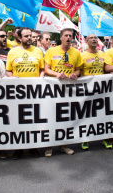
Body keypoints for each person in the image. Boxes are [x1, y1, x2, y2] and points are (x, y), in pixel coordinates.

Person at [6, 27, 44, 159]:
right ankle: (18, 148)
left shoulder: (38, 51)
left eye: (30, 36)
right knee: (18, 120)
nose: (29, 38)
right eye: (26, 36)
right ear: (20, 38)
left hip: (34, 92)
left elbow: (42, 69)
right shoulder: (13, 52)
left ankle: (33, 147)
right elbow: (8, 70)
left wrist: (41, 78)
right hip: (18, 93)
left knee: (33, 119)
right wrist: (11, 78)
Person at [44, 28, 82, 157]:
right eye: (65, 35)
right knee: (51, 117)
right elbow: (47, 69)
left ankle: (64, 145)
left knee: (65, 117)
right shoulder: (51, 51)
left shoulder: (76, 53)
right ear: (61, 37)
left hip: (68, 91)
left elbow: (78, 70)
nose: (68, 38)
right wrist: (57, 74)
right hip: (53, 90)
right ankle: (49, 146)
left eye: (70, 36)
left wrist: (74, 74)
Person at [80, 34, 113, 150]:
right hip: (88, 89)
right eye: (91, 38)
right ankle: (86, 139)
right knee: (88, 114)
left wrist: (110, 74)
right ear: (87, 41)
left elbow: (106, 69)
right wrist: (87, 77)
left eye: (95, 38)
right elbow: (78, 72)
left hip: (102, 89)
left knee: (103, 114)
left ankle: (105, 138)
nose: (94, 40)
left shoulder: (103, 54)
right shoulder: (82, 55)